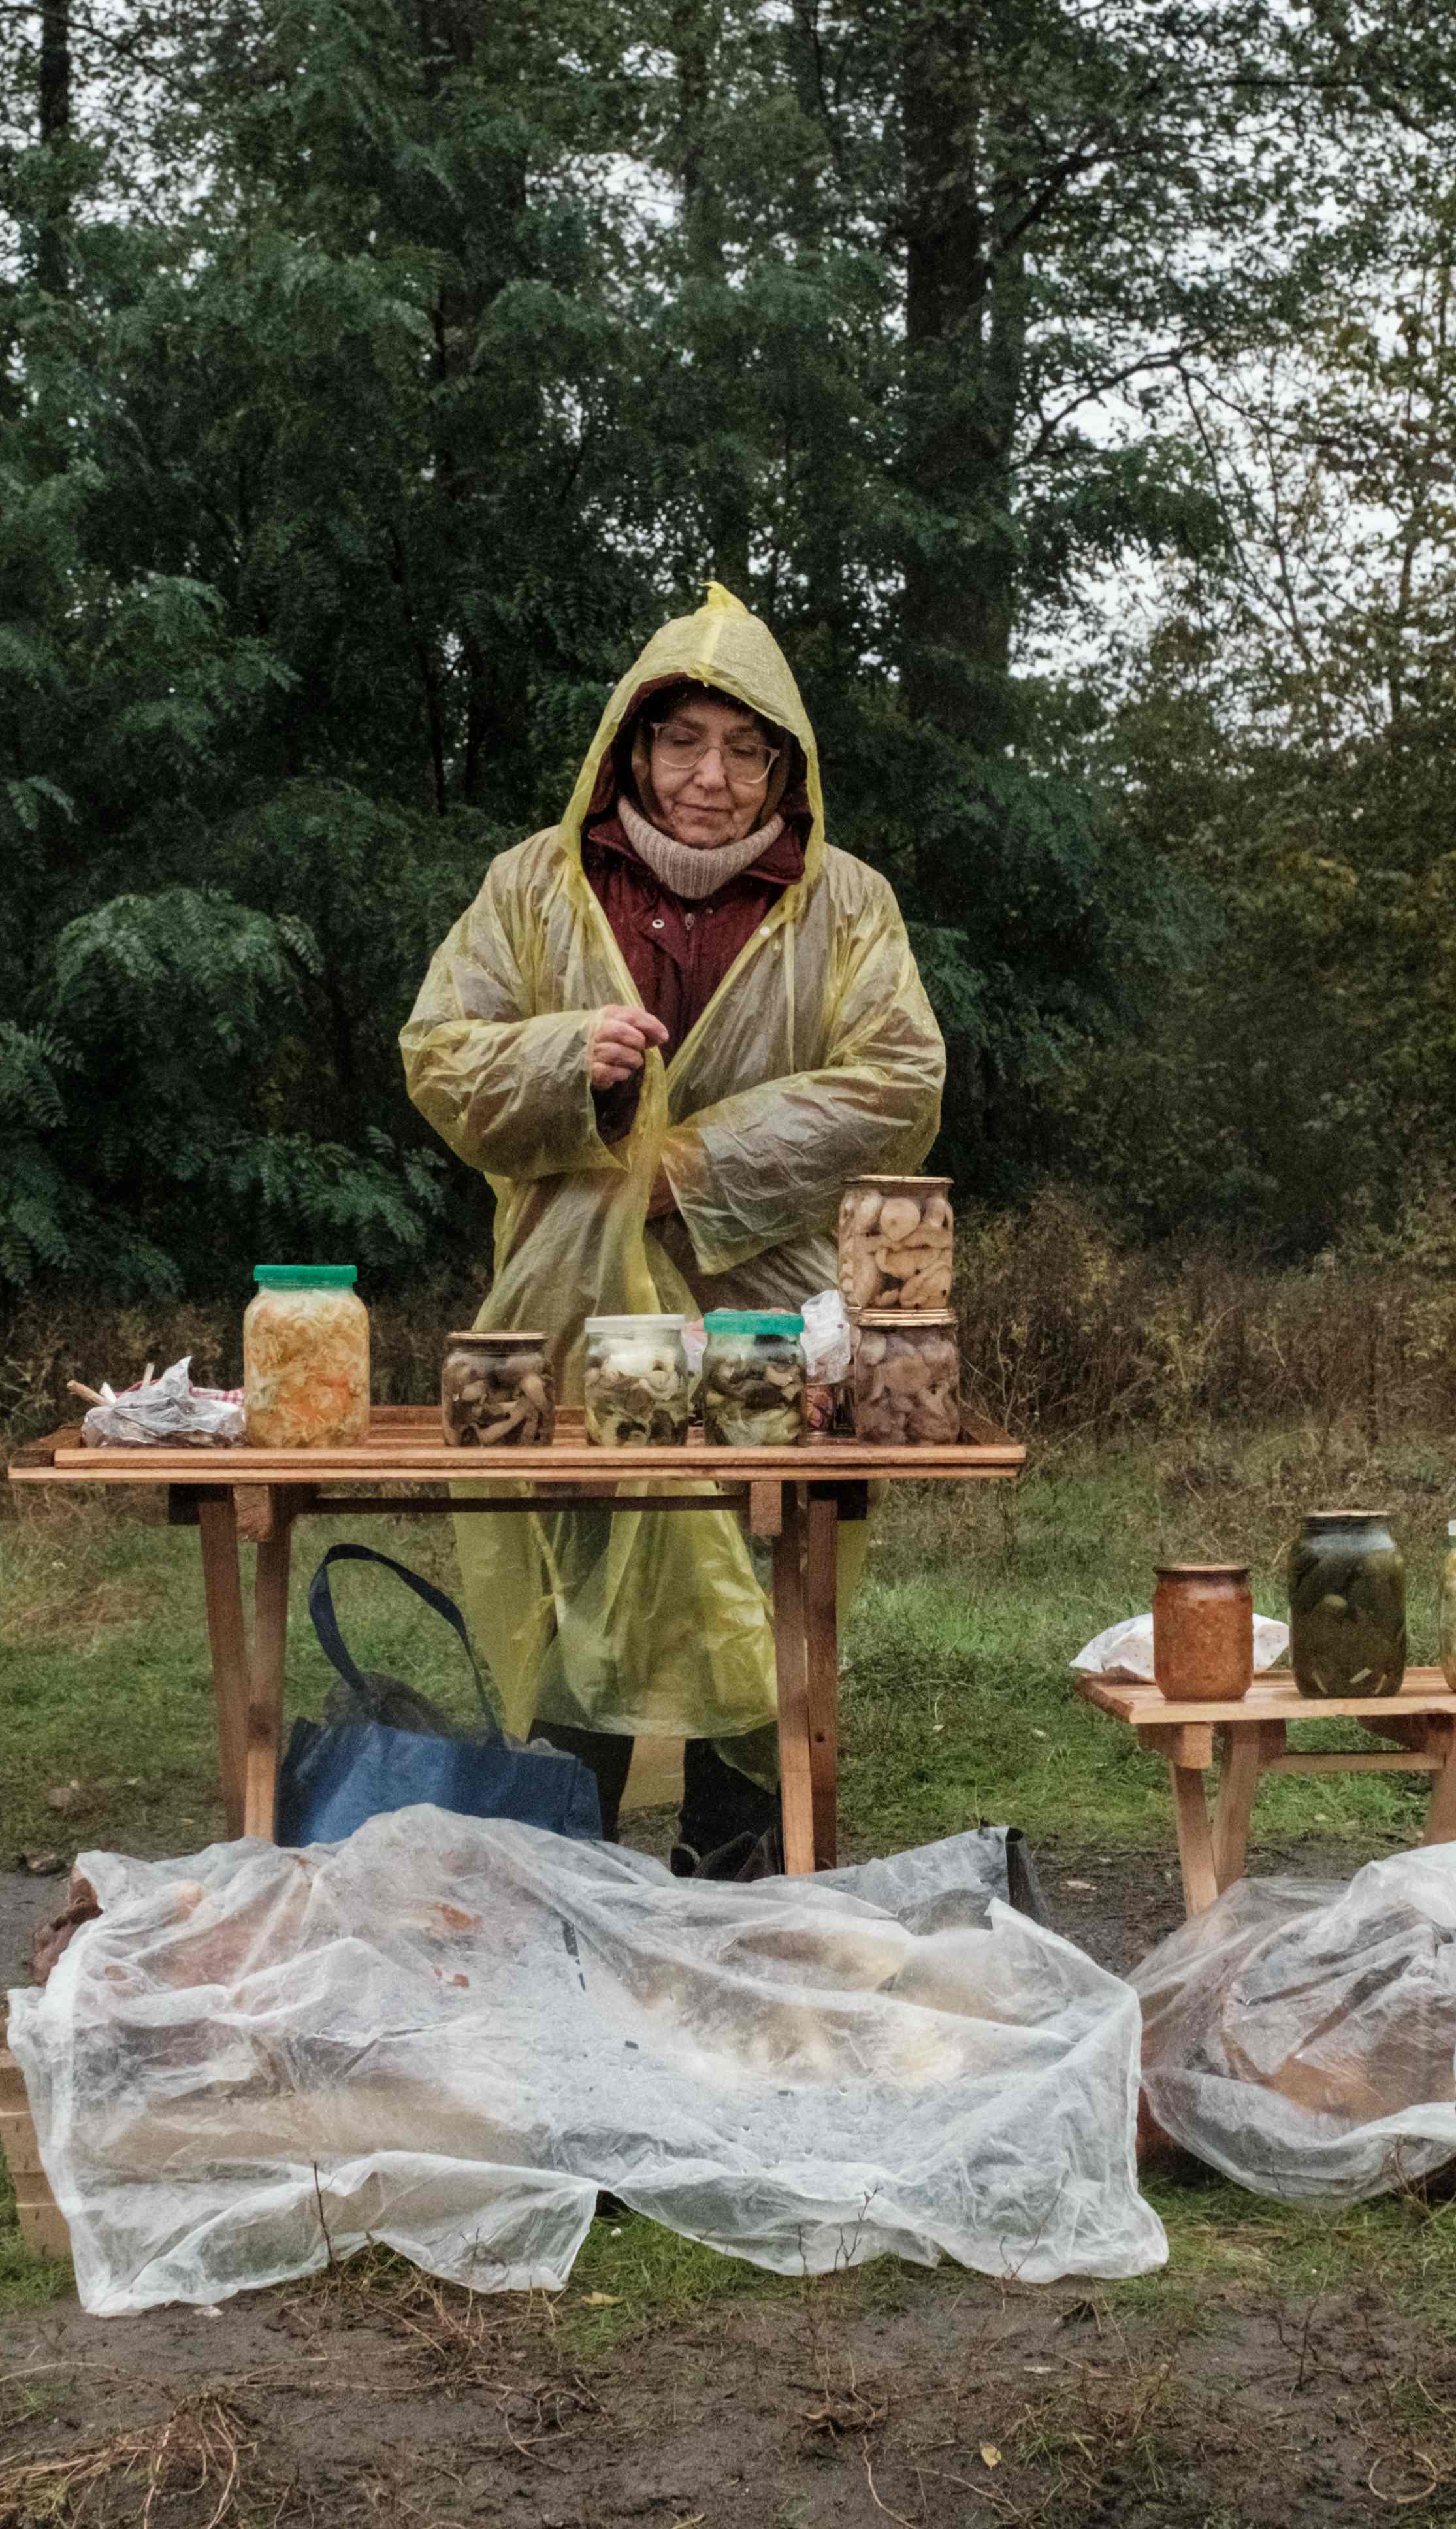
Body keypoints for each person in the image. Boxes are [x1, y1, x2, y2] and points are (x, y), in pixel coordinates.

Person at [400, 585, 946, 1875]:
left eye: (744, 748)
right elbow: (441, 1056)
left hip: (775, 1336)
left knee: (761, 1603)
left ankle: (744, 1900)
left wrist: (690, 1164)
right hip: (579, 1322)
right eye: (684, 741)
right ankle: (560, 1899)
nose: (711, 777)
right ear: (632, 749)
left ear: (783, 766)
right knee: (584, 1586)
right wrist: (562, 1063)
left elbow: (899, 1082)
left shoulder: (848, 905)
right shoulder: (532, 888)